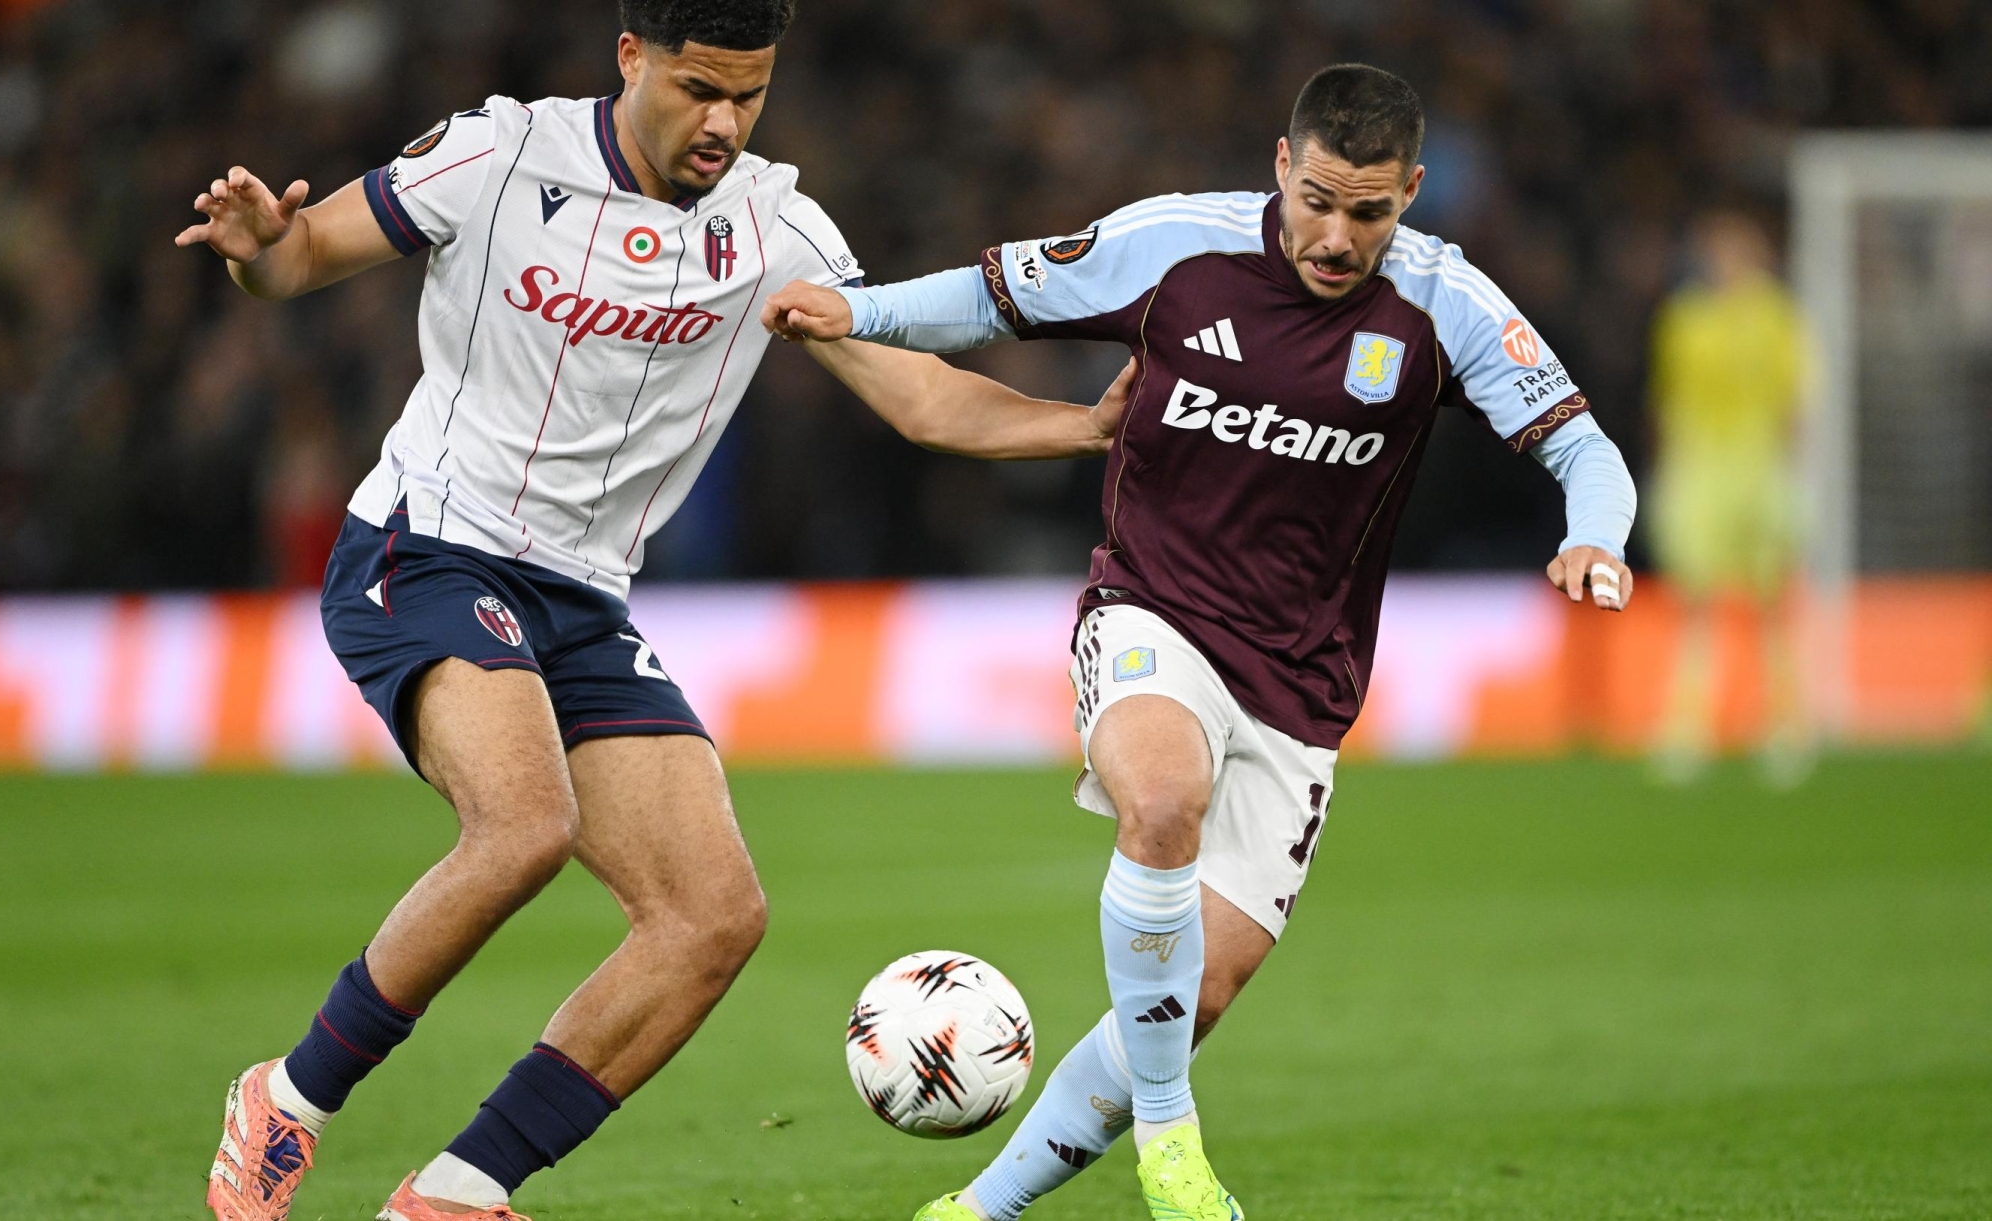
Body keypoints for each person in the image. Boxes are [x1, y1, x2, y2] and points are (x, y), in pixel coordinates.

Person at [174, 3, 1131, 1219]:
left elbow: (923, 401)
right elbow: (301, 257)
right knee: (521, 827)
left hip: (581, 599)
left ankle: (460, 1193)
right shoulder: (502, 153)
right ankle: (288, 1101)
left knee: (712, 917)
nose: (723, 123)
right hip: (429, 550)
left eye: (750, 96)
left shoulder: (776, 228)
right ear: (630, 59)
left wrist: (1084, 428)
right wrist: (261, 246)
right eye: (696, 89)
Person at [764, 63, 1638, 1221]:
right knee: (1161, 800)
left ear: (1412, 193)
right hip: (1152, 612)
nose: (1336, 235)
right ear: (1282, 165)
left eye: (1369, 211)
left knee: (1196, 992)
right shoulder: (1177, 246)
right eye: (1317, 198)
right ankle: (1173, 1137)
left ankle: (979, 1210)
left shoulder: (1446, 305)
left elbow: (1587, 449)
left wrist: (1597, 539)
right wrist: (858, 311)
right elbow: (991, 297)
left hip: (1302, 685)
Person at [1647, 209, 1811, 785]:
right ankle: (1688, 730)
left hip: (1760, 470)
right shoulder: (1685, 319)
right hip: (1701, 472)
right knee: (1696, 604)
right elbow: (1666, 401)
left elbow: (1795, 404)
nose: (1726, 262)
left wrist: (1790, 477)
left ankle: (1786, 729)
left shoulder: (1775, 316)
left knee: (1771, 604)